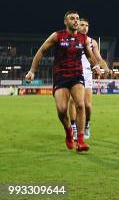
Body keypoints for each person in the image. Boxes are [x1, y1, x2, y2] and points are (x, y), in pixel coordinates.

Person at [25, 11, 106, 152]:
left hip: (77, 76)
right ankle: (68, 132)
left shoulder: (83, 39)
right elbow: (41, 51)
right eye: (72, 18)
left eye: (77, 18)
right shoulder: (57, 36)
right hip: (60, 77)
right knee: (62, 110)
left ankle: (80, 140)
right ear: (65, 21)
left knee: (80, 105)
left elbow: (90, 55)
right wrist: (32, 70)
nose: (75, 21)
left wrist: (96, 66)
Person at [68, 18, 107, 139]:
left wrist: (105, 67)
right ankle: (74, 128)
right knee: (72, 102)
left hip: (87, 74)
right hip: (73, 73)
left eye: (87, 25)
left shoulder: (92, 42)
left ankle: (87, 124)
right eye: (82, 25)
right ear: (77, 26)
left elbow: (98, 58)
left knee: (87, 105)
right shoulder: (69, 40)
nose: (85, 27)